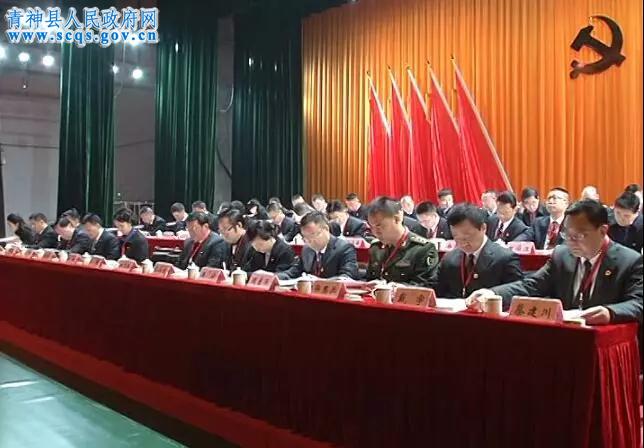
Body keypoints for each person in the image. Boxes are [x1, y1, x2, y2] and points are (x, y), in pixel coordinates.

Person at [467, 200, 643, 324]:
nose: (571, 242)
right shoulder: (562, 255)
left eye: (579, 235)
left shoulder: (629, 261)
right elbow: (531, 285)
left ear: (603, 231)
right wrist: (493, 293)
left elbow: (638, 303)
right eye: (567, 234)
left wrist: (610, 312)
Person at [430, 204, 523, 298]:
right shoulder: (449, 258)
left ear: (483, 228)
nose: (462, 243)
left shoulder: (504, 258)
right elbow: (434, 287)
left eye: (467, 236)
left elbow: (518, 290)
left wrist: (493, 294)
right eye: (456, 237)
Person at [365, 196, 439, 285]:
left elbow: (425, 287)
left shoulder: (423, 249)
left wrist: (395, 288)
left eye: (379, 226)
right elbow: (369, 279)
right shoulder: (376, 247)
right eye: (371, 227)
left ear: (397, 219)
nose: (375, 232)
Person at [278, 212, 358, 280]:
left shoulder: (344, 248)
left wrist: (318, 282)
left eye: (312, 235)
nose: (309, 241)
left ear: (326, 229)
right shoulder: (306, 249)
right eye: (305, 237)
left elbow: (347, 277)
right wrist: (276, 277)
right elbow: (294, 272)